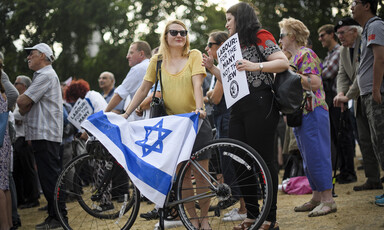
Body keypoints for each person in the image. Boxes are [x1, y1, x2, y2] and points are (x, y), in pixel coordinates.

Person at [203, 3, 289, 229]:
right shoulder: (231, 46)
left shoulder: (260, 35)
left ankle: (270, 219)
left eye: (229, 19)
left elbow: (282, 62)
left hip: (261, 103)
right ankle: (252, 215)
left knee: (264, 160)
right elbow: (231, 78)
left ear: (240, 19)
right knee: (239, 160)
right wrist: (213, 69)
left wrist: (255, 65)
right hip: (238, 107)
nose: (226, 24)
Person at [123, 19, 213, 229]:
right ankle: (192, 220)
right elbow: (143, 89)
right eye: (174, 32)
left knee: (201, 176)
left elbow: (197, 84)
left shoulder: (194, 55)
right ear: (166, 36)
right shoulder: (157, 61)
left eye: (183, 32)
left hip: (195, 120)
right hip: (173, 126)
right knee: (182, 176)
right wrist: (126, 114)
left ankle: (205, 219)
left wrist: (200, 108)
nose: (179, 35)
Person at [279, 17, 337, 217]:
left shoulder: (306, 54)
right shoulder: (291, 58)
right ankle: (316, 197)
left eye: (282, 35)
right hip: (301, 113)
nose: (280, 40)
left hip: (313, 110)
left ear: (292, 36)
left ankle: (328, 200)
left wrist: (288, 71)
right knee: (308, 157)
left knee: (318, 155)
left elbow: (315, 83)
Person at [16, 43, 65, 229]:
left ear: (43, 56)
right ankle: (54, 216)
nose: (28, 57)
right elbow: (23, 105)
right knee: (47, 178)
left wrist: (25, 103)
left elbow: (22, 101)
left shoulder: (46, 75)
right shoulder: (43, 75)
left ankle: (60, 218)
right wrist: (25, 104)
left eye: (32, 54)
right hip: (42, 134)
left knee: (50, 178)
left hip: (45, 134)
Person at [202, 30, 248, 223]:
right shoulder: (219, 68)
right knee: (228, 161)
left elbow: (216, 97)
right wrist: (210, 94)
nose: (206, 48)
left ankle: (245, 208)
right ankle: (242, 206)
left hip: (227, 117)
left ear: (221, 46)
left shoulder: (224, 66)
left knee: (233, 160)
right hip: (223, 116)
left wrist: (209, 94)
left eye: (209, 45)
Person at [351, 0, 384, 206]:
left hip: (376, 94)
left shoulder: (375, 26)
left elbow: (380, 58)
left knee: (382, 142)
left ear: (366, 5)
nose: (351, 6)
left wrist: (375, 88)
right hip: (367, 95)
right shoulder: (366, 29)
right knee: (377, 143)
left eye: (354, 3)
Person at [318, 23, 357, 184]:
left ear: (331, 35)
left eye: (323, 35)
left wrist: (317, 72)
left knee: (344, 136)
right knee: (336, 136)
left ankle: (349, 171)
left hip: (338, 99)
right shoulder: (329, 55)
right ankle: (343, 170)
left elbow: (326, 73)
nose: (320, 39)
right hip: (332, 99)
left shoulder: (338, 52)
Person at [105, 41, 152, 121]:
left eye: (131, 53)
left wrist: (104, 114)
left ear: (141, 54)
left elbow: (119, 95)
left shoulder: (137, 69)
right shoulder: (155, 66)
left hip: (143, 122)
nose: (127, 56)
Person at [12, 75, 40, 209]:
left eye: (16, 83)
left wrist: (15, 118)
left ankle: (33, 197)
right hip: (18, 137)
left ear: (23, 86)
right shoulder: (18, 99)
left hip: (25, 137)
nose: (14, 84)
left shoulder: (27, 98)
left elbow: (20, 115)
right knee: (17, 170)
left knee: (28, 169)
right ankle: (22, 198)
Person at [0, 80, 12, 230]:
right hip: (4, 140)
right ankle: (8, 223)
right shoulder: (3, 93)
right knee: (5, 184)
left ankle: (4, 225)